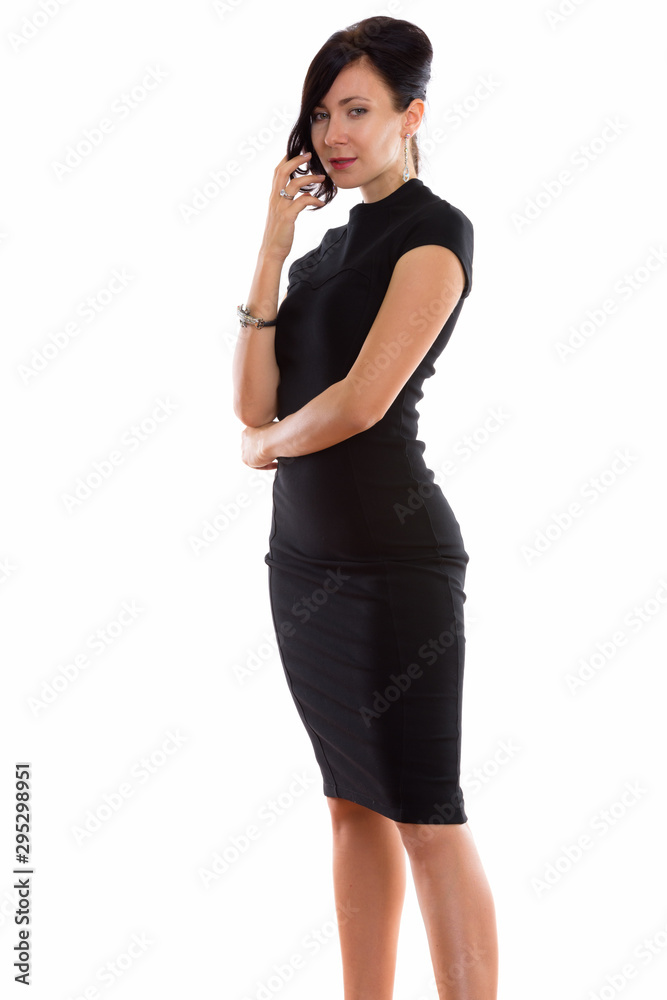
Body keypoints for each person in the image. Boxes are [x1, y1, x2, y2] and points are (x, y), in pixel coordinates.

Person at [233, 15, 498, 1000]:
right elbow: (251, 399)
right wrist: (274, 241)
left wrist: (265, 446)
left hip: (394, 565)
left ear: (409, 116)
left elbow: (359, 402)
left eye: (356, 110)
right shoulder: (318, 257)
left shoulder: (435, 232)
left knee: (425, 814)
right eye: (320, 113)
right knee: (350, 803)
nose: (333, 132)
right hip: (302, 564)